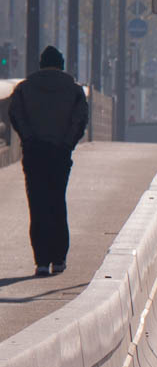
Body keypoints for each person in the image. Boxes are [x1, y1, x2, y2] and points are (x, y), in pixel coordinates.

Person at [7, 46, 88, 277]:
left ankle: (41, 260)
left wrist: (29, 139)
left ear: (41, 64)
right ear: (61, 64)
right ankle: (59, 258)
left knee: (37, 204)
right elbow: (80, 119)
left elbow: (15, 115)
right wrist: (67, 144)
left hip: (34, 153)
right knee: (56, 202)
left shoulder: (24, 88)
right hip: (60, 153)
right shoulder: (73, 90)